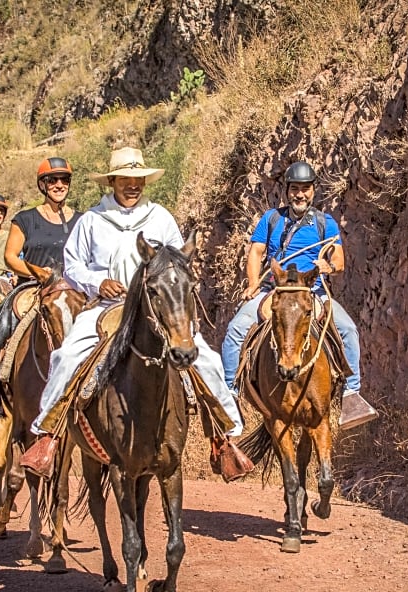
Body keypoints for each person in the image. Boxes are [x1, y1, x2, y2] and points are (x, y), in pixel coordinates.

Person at [20, 146, 250, 479]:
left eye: (138, 179)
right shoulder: (92, 220)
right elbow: (72, 266)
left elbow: (178, 262)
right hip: (108, 306)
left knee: (207, 360)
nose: (133, 185)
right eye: (126, 179)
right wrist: (99, 282)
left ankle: (223, 438)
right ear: (112, 181)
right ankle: (48, 435)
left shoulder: (160, 217)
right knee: (68, 356)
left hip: (156, 309)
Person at [221, 160, 377, 429]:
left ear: (313, 191)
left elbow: (338, 256)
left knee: (348, 329)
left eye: (305, 189)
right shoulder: (271, 219)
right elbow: (256, 252)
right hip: (275, 289)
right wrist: (252, 283)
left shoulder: (324, 223)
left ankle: (352, 395)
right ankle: (229, 397)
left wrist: (329, 266)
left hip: (310, 291)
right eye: (295, 189)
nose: (300, 194)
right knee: (235, 329)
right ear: (287, 190)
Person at [0, 157, 82, 433]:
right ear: (42, 185)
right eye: (52, 180)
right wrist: (37, 272)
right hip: (33, 288)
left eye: (64, 180)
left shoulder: (83, 220)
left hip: (71, 291)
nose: (59, 185)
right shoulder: (26, 219)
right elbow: (11, 257)